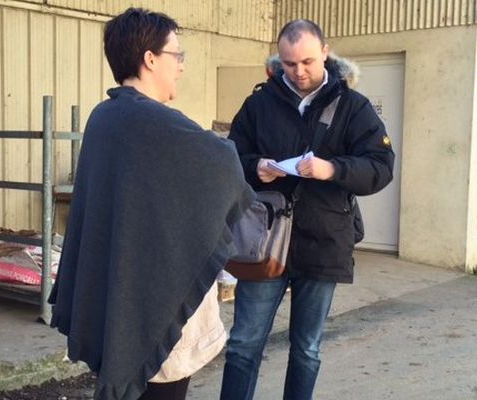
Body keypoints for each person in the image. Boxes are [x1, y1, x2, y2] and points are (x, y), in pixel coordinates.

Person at [48, 8, 254, 400]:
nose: (180, 66)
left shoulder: (104, 117)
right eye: (177, 55)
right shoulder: (158, 125)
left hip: (121, 293)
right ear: (150, 58)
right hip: (154, 303)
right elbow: (226, 167)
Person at [220, 19, 395, 400]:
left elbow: (382, 166)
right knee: (244, 344)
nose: (299, 72)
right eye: (288, 63)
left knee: (307, 349)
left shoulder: (353, 106)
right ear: (278, 60)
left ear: (326, 53)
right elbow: (231, 157)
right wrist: (256, 168)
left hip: (324, 242)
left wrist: (332, 169)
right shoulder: (259, 104)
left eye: (307, 62)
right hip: (262, 242)